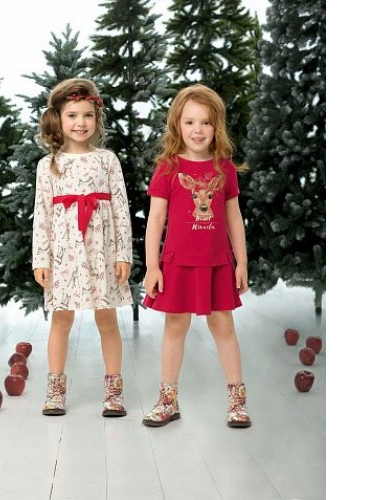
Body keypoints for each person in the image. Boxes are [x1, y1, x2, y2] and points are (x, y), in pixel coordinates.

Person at [142, 84, 251, 428]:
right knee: (175, 326)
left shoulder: (224, 169)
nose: (198, 130)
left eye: (205, 122)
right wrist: (152, 266)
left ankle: (237, 401)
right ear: (177, 125)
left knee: (223, 326)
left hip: (217, 262)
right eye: (190, 122)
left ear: (217, 126)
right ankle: (168, 400)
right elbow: (155, 219)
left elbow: (234, 218)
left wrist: (241, 262)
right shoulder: (168, 168)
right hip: (178, 263)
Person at [32, 78, 133, 417]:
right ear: (58, 118)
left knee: (107, 318)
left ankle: (113, 391)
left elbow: (120, 210)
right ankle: (55, 389)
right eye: (72, 115)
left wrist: (123, 254)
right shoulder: (48, 165)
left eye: (88, 115)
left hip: (103, 252)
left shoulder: (107, 160)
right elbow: (42, 215)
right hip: (65, 254)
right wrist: (41, 259)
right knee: (61, 319)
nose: (80, 123)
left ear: (97, 118)